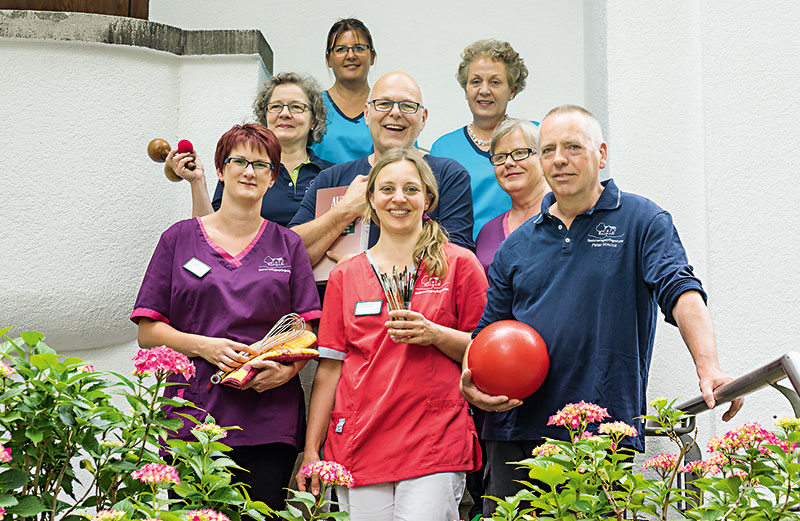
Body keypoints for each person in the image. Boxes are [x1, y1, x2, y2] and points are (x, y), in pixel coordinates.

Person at [459, 105, 744, 516]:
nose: (559, 159)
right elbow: (487, 333)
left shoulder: (641, 220)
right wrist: (474, 385)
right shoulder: (515, 247)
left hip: (600, 435)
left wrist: (708, 365)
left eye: (573, 147)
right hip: (515, 433)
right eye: (549, 149)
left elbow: (680, 290)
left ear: (602, 154)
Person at [131, 124, 321, 510]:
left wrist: (287, 371)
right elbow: (148, 331)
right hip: (195, 413)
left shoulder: (288, 245)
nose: (249, 172)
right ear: (220, 170)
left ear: (272, 177)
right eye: (239, 161)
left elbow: (307, 329)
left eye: (261, 164)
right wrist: (205, 346)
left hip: (269, 418)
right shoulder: (178, 239)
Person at [296, 148, 487, 521]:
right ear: (370, 201)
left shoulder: (459, 264)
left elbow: (484, 351)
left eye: (410, 189)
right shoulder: (345, 275)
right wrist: (312, 450)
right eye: (386, 189)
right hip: (359, 440)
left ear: (427, 199)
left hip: (433, 439)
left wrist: (434, 334)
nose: (399, 198)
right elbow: (331, 369)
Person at [289, 71, 475, 268]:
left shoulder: (449, 175)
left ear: (423, 118)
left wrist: (365, 269)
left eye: (407, 106)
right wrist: (344, 210)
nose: (395, 113)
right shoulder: (331, 178)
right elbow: (289, 253)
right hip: (339, 296)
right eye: (384, 104)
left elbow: (458, 259)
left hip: (416, 298)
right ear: (367, 114)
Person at [167, 72, 333, 227]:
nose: (284, 113)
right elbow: (210, 233)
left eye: (296, 107)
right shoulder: (242, 168)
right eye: (275, 106)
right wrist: (197, 182)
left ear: (314, 120)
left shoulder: (331, 174)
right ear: (265, 117)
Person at [431, 39, 531, 238]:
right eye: (476, 81)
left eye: (495, 82)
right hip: (461, 258)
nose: (484, 90)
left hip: (525, 255)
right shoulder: (443, 148)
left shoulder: (534, 137)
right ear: (466, 89)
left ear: (512, 90)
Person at [475, 119, 549, 274]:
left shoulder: (565, 217)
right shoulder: (487, 233)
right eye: (500, 157)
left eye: (520, 153)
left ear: (543, 158)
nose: (508, 162)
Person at [309, 18, 376, 164]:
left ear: (372, 56)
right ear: (329, 59)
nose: (351, 55)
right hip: (321, 187)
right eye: (340, 49)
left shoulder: (387, 107)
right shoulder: (312, 106)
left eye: (359, 48)